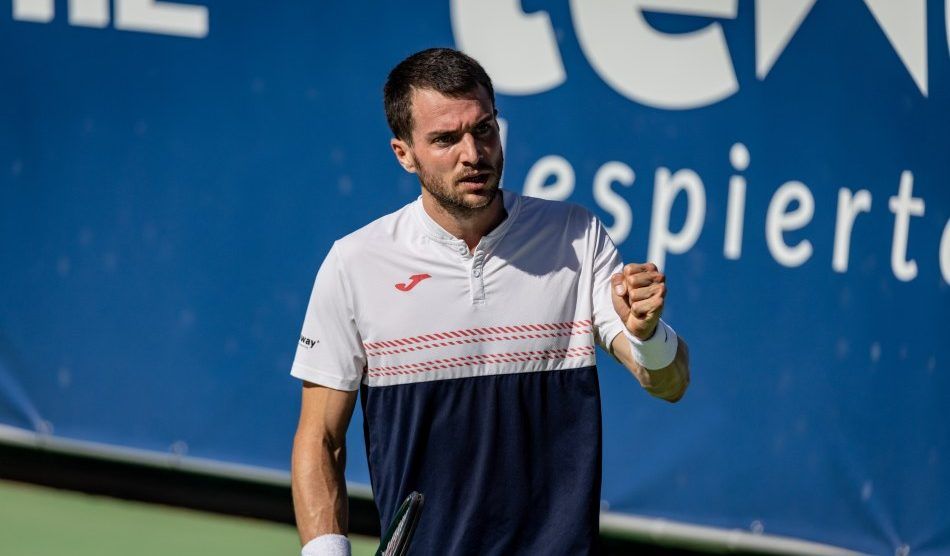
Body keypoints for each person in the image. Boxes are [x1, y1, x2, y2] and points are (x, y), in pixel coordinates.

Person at [290, 47, 690, 556]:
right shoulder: (354, 265)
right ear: (403, 152)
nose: (473, 154)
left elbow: (669, 383)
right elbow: (320, 439)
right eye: (445, 139)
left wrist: (647, 335)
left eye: (483, 129)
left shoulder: (575, 235)